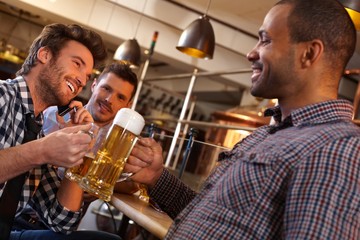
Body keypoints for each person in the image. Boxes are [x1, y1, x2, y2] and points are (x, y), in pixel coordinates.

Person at [125, 0, 360, 239]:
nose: (251, 53)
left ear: (309, 53)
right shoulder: (263, 134)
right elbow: (212, 218)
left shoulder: (338, 148)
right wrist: (156, 177)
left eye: (265, 40)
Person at [0, 23, 122, 240]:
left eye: (86, 75)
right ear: (45, 55)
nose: (82, 80)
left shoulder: (37, 131)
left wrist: (80, 144)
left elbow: (63, 220)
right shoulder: (2, 96)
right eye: (77, 64)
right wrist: (42, 151)